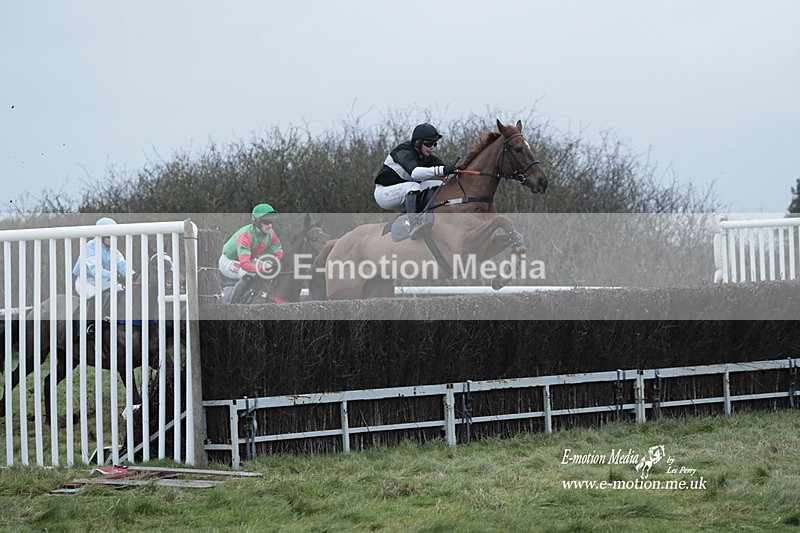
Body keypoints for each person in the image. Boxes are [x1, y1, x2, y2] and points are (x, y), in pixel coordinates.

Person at [373, 123, 458, 236]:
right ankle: (413, 224)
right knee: (413, 186)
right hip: (384, 193)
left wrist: (456, 171)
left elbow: (446, 173)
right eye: (428, 143)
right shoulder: (403, 151)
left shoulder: (426, 157)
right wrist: (441, 170)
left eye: (434, 144)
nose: (431, 147)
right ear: (417, 142)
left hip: (403, 191)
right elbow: (415, 173)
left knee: (439, 185)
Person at [72, 217, 136, 330]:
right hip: (86, 281)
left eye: (113, 235)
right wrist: (116, 276)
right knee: (96, 296)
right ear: (100, 236)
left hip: (103, 280)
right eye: (108, 236)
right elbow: (96, 270)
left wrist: (134, 276)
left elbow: (123, 265)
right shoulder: (89, 247)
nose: (111, 239)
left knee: (121, 290)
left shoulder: (114, 250)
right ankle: (89, 325)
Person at [219, 203, 284, 303]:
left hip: (248, 259)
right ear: (257, 222)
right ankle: (232, 306)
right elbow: (245, 264)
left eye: (271, 222)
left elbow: (279, 254)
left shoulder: (271, 234)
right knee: (249, 273)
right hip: (228, 261)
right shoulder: (246, 235)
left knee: (269, 267)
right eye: (267, 222)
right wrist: (262, 270)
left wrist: (276, 265)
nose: (270, 225)